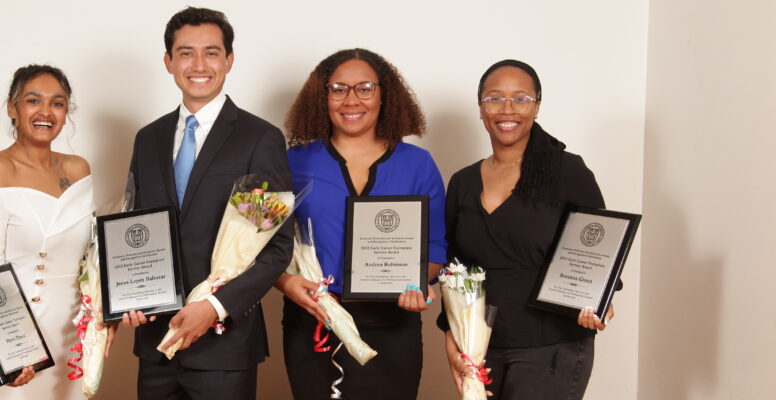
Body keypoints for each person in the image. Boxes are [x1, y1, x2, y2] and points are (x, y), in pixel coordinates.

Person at [122, 7, 293, 400]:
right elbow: (135, 231)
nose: (199, 65)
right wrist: (129, 297)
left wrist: (215, 306)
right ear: (168, 62)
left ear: (229, 60)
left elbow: (274, 248)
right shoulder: (147, 139)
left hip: (224, 348)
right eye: (185, 53)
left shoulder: (258, 139)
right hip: (155, 343)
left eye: (211, 52)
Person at [437, 59, 615, 400]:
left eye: (520, 98)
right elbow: (453, 270)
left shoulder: (567, 171)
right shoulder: (462, 182)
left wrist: (601, 298)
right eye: (494, 98)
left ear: (537, 106)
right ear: (480, 108)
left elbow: (599, 249)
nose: (507, 109)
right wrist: (453, 341)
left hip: (550, 347)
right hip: (480, 347)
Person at [276, 48, 447, 400]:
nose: (351, 100)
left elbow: (436, 249)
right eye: (338, 89)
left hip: (392, 330)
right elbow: (260, 246)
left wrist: (418, 283)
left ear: (385, 94)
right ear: (321, 97)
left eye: (365, 88)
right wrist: (285, 282)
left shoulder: (418, 164)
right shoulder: (293, 163)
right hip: (312, 326)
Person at [0, 64, 116, 399]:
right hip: (17, 333)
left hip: (74, 333)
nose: (46, 112)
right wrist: (11, 354)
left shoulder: (78, 169)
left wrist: (109, 310)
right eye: (33, 101)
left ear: (67, 111)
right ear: (12, 108)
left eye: (58, 103)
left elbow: (91, 257)